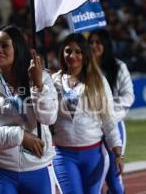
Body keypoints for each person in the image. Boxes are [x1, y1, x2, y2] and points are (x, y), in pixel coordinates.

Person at [0, 25, 58, 194]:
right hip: (1, 171)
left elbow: (49, 118)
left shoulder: (41, 77)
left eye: (4, 45)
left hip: (38, 168)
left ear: (17, 48)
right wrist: (19, 136)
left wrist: (38, 86)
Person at [51, 33, 123, 194]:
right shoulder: (53, 81)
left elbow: (109, 120)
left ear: (85, 54)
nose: (73, 56)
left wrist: (118, 154)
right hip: (63, 154)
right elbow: (44, 116)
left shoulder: (98, 81)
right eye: (68, 51)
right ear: (62, 53)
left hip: (93, 154)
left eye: (78, 51)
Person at [88, 29, 135, 194]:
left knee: (114, 181)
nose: (94, 45)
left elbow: (128, 97)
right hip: (89, 132)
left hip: (113, 126)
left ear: (106, 45)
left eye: (98, 42)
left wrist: (107, 111)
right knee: (95, 180)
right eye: (91, 42)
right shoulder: (81, 70)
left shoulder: (118, 67)